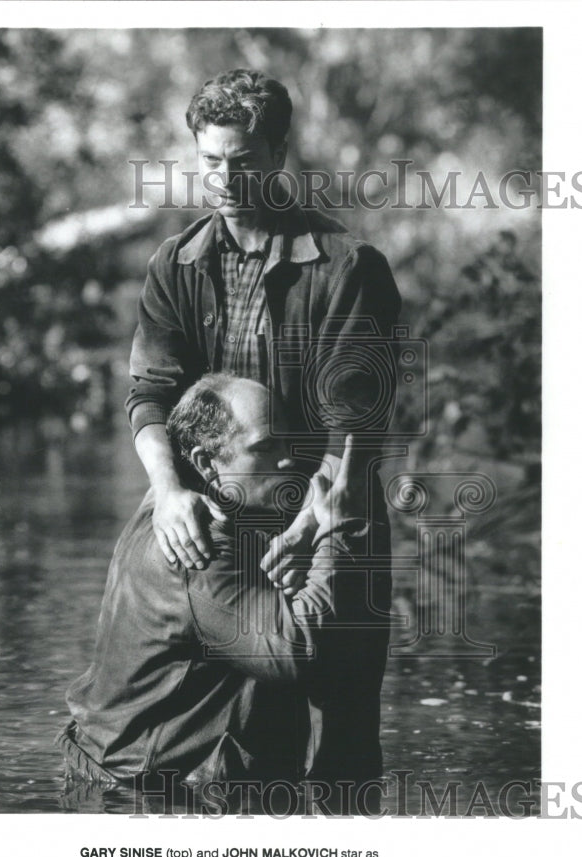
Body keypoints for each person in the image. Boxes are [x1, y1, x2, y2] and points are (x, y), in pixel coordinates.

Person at [127, 68, 401, 597]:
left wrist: (308, 529)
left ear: (277, 157)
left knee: (316, 672)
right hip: (205, 515)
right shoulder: (173, 264)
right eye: (210, 161)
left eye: (243, 162)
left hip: (318, 512)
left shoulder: (348, 269)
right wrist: (166, 490)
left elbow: (355, 426)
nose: (224, 180)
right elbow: (150, 393)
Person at [60, 375, 379, 810]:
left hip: (133, 780)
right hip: (143, 800)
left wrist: (310, 525)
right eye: (265, 448)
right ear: (206, 462)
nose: (288, 461)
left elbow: (333, 465)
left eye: (287, 443)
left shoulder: (180, 501)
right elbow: (298, 653)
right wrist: (337, 529)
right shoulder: (198, 549)